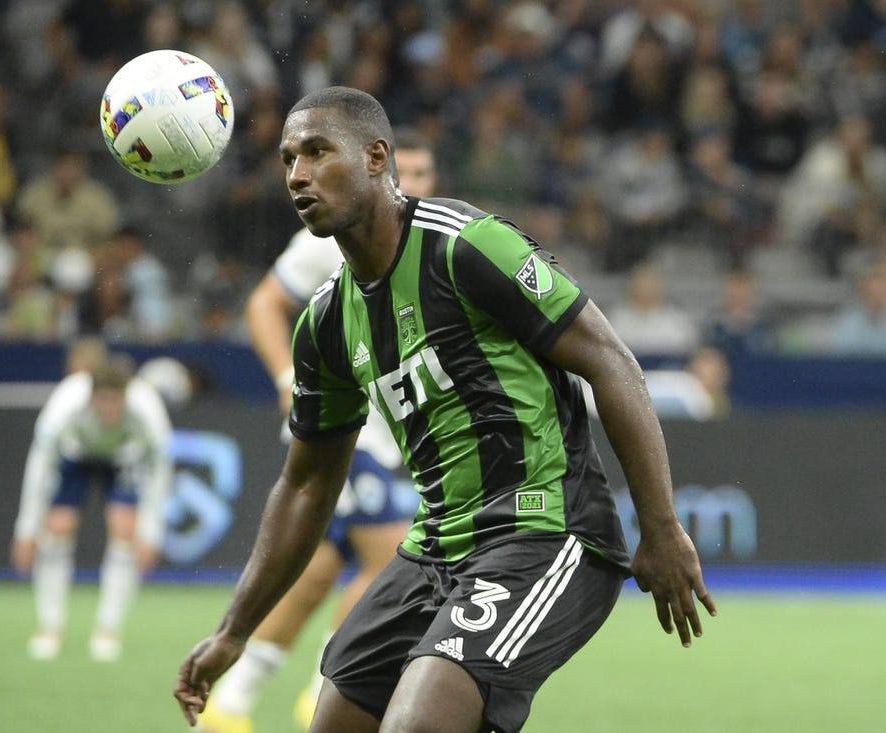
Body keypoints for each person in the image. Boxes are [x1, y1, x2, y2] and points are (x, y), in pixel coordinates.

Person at [176, 87, 715, 733]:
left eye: (319, 152)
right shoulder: (325, 322)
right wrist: (234, 630)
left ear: (377, 158)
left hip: (547, 531)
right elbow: (307, 481)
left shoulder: (466, 247)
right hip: (435, 547)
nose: (298, 174)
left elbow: (611, 362)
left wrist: (660, 526)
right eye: (289, 158)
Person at [197, 128, 438, 733]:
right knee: (391, 562)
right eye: (402, 167)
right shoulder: (334, 237)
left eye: (423, 171)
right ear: (375, 167)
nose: (411, 180)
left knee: (314, 578)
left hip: (390, 438)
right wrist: (286, 376)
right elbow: (262, 305)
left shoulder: (433, 242)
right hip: (345, 438)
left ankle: (231, 705)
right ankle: (328, 691)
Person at [11, 345, 173, 662]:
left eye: (118, 402)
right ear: (91, 396)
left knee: (125, 531)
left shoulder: (148, 412)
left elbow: (158, 472)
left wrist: (152, 533)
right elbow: (39, 469)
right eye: (104, 401)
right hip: (75, 456)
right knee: (57, 529)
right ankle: (50, 628)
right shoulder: (64, 407)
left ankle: (107, 631)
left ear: (127, 396)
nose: (111, 411)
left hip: (123, 458)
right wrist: (26, 529)